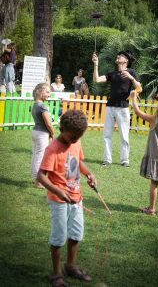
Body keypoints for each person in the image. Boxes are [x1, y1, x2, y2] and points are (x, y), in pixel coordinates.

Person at [37, 109, 97, 287]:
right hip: (59, 201)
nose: (76, 140)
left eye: (80, 136)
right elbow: (40, 176)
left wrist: (89, 174)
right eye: (73, 137)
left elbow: (78, 161)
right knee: (58, 238)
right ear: (62, 129)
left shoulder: (76, 142)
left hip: (77, 198)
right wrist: (57, 191)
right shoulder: (52, 149)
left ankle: (70, 265)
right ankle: (56, 274)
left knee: (76, 234)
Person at [92, 50, 142, 167]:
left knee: (124, 135)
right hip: (110, 107)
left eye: (121, 56)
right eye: (118, 55)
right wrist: (96, 64)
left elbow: (139, 88)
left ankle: (125, 160)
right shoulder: (112, 74)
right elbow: (97, 80)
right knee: (106, 135)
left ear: (126, 60)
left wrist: (130, 78)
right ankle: (107, 159)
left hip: (123, 108)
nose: (118, 56)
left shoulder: (132, 72)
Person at [31, 83, 54, 188]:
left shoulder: (35, 105)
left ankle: (36, 178)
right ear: (40, 92)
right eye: (47, 92)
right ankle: (38, 181)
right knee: (40, 157)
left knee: (35, 155)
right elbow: (48, 123)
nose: (49, 95)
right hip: (42, 134)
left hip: (35, 132)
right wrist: (52, 133)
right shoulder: (42, 106)